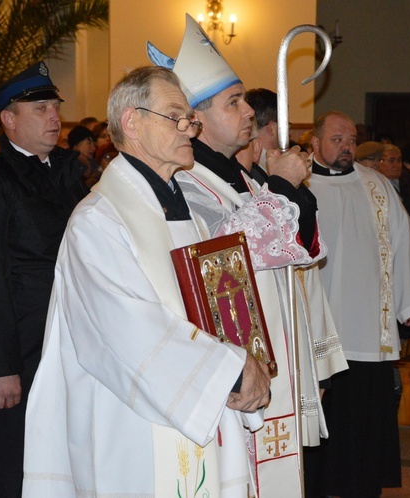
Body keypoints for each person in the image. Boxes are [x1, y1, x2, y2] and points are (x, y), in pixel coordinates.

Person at [22, 65, 271, 498]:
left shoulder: (187, 211)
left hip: (197, 406)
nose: (189, 130)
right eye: (177, 117)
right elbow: (128, 332)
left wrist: (247, 357)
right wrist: (230, 370)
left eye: (190, 119)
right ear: (131, 122)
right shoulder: (97, 221)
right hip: (132, 425)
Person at [148, 16, 347, 497]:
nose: (247, 113)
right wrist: (281, 186)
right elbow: (226, 259)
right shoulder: (188, 184)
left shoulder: (246, 181)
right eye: (232, 102)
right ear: (195, 119)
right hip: (237, 374)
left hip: (276, 359)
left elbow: (298, 253)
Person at [0, 61, 88, 497]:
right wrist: (0, 368)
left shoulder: (64, 176)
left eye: (55, 107)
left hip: (66, 344)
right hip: (21, 351)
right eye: (40, 109)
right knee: (9, 465)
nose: (55, 117)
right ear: (9, 120)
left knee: (59, 462)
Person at [306, 111, 410, 497]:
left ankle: (362, 485)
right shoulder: (296, 184)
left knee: (363, 420)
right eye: (337, 138)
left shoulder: (375, 185)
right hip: (314, 330)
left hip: (367, 331)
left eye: (352, 139)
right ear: (315, 143)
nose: (346, 146)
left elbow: (403, 240)